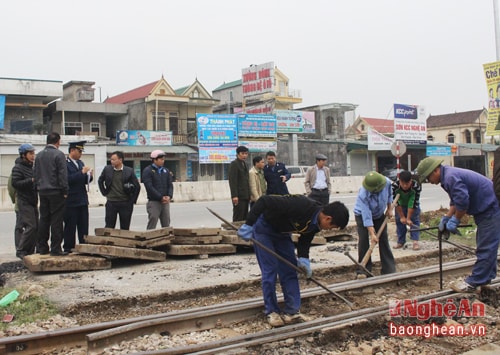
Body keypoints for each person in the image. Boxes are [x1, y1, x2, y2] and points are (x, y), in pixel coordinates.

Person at [237, 195, 349, 327]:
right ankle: (271, 311)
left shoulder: (317, 223)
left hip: (283, 234)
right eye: (332, 227)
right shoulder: (300, 205)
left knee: (290, 270)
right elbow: (264, 201)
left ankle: (292, 311)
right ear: (328, 218)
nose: (330, 229)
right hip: (264, 228)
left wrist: (303, 258)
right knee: (270, 270)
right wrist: (249, 224)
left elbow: (305, 239)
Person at [416, 157, 500, 293]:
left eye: (428, 178)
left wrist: (456, 220)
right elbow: (455, 200)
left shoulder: (450, 177)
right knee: (485, 244)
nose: (429, 182)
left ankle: (475, 281)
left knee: (486, 246)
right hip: (486, 209)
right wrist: (447, 217)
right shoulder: (447, 176)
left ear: (435, 171)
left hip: (490, 208)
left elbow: (462, 202)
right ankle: (486, 278)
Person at [353, 171, 396, 277]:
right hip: (361, 215)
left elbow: (390, 194)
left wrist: (389, 208)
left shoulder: (386, 182)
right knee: (364, 240)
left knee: (383, 239)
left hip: (379, 214)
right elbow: (366, 216)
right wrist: (372, 234)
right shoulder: (364, 193)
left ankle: (388, 269)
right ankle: (364, 270)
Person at [34, 133, 68, 256]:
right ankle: (55, 248)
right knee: (56, 220)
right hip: (56, 191)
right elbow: (62, 175)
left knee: (44, 219)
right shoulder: (59, 155)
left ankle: (42, 247)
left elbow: (36, 173)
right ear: (58, 142)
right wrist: (65, 191)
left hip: (42, 191)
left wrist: (37, 188)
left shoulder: (39, 155)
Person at [98, 151, 141, 230]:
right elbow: (100, 180)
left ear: (120, 160)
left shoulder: (129, 171)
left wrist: (132, 201)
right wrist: (104, 192)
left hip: (125, 202)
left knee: (125, 227)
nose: (111, 161)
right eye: (111, 159)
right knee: (109, 226)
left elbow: (137, 187)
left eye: (114, 159)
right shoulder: (107, 169)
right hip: (111, 202)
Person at [63, 141, 93, 253]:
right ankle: (68, 247)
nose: (81, 154)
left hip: (82, 199)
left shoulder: (80, 163)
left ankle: (84, 245)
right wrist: (81, 173)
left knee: (83, 225)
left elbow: (83, 180)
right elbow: (68, 180)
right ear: (72, 151)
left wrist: (89, 176)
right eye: (79, 151)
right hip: (71, 200)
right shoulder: (65, 163)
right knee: (70, 225)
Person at [11, 144, 38, 259]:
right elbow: (15, 184)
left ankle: (30, 251)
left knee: (36, 226)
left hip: (33, 200)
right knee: (30, 226)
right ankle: (21, 250)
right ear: (23, 155)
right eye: (30, 154)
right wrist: (31, 181)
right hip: (24, 201)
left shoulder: (32, 167)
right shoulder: (18, 168)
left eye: (33, 153)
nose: (33, 156)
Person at [142, 149, 174, 229]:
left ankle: (166, 239)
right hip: (154, 201)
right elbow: (149, 187)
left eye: (163, 159)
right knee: (153, 220)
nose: (163, 161)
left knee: (166, 223)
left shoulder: (165, 171)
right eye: (161, 159)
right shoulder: (148, 171)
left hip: (165, 201)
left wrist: (169, 196)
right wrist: (160, 197)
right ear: (154, 160)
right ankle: (149, 238)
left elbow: (170, 185)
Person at [392, 170, 421, 251]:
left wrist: (408, 218)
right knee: (399, 222)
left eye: (407, 184)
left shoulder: (416, 186)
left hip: (412, 206)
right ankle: (400, 241)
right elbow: (396, 202)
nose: (405, 186)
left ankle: (415, 242)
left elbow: (413, 202)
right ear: (399, 180)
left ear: (411, 181)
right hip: (400, 205)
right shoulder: (394, 186)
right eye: (402, 183)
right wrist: (402, 217)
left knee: (414, 221)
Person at [228, 145, 250, 222]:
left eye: (246, 154)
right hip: (238, 196)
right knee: (238, 215)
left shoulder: (246, 164)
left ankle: (243, 232)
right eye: (242, 153)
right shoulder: (234, 164)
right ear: (238, 154)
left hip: (246, 195)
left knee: (245, 216)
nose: (244, 155)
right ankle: (235, 232)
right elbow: (232, 181)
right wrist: (234, 195)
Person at [8, 165, 23, 252]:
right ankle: (19, 247)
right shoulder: (16, 172)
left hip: (30, 203)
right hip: (20, 204)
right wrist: (14, 200)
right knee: (20, 227)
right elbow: (11, 188)